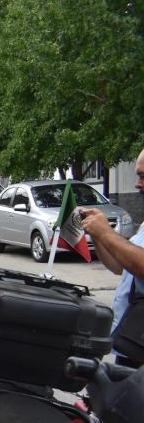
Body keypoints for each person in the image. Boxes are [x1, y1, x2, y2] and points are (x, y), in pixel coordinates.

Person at [82, 148, 144, 368]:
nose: (137, 184)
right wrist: (98, 236)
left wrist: (107, 233)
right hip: (133, 341)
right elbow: (121, 266)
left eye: (143, 176)